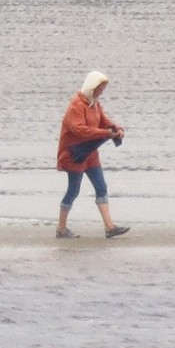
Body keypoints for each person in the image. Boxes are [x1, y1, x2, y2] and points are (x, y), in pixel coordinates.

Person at [57, 70, 130, 240]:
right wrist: (105, 133)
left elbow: (104, 120)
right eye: (99, 89)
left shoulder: (94, 104)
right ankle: (61, 228)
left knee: (101, 187)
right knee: (73, 190)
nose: (101, 92)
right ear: (91, 87)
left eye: (103, 89)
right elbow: (80, 130)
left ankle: (109, 227)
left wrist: (116, 129)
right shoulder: (76, 105)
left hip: (90, 153)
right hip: (74, 154)